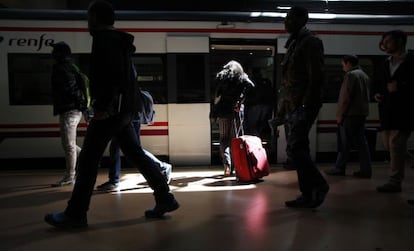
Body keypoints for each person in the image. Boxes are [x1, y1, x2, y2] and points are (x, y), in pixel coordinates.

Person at [45, 0, 179, 228]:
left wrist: (103, 108)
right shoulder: (119, 41)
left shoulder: (104, 41)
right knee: (135, 153)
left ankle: (76, 214)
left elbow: (112, 78)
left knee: (88, 160)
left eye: (89, 18)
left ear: (96, 18)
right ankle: (165, 198)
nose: (88, 23)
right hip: (124, 110)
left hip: (111, 111)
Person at [280, 6, 329, 208]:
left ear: (302, 19)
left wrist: (304, 105)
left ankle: (319, 185)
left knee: (294, 148)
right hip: (294, 105)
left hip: (304, 104)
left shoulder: (310, 42)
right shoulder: (293, 43)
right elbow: (289, 81)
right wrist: (285, 107)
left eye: (289, 18)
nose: (285, 21)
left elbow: (316, 77)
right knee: (301, 148)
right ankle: (307, 194)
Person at [374, 30, 414, 194]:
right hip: (386, 112)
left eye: (388, 41)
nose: (385, 44)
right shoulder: (385, 63)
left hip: (405, 111)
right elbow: (380, 83)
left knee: (396, 145)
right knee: (390, 146)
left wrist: (401, 88)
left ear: (400, 42)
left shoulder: (412, 61)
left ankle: (394, 181)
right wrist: (377, 93)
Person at [325, 55, 372, 178]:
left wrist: (340, 115)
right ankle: (366, 170)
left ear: (349, 63)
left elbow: (346, 98)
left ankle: (339, 168)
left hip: (350, 115)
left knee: (345, 143)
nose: (343, 68)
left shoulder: (351, 75)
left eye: (343, 65)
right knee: (362, 144)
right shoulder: (364, 75)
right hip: (361, 114)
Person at [96, 119, 173, 191]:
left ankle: (114, 180)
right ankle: (113, 180)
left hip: (129, 119)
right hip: (130, 118)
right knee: (126, 149)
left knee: (125, 149)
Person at [50, 41, 88, 187]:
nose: (52, 54)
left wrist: (78, 106)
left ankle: (70, 176)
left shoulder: (62, 68)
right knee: (69, 144)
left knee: (68, 145)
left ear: (60, 54)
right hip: (71, 109)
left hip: (70, 110)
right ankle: (87, 158)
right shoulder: (71, 66)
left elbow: (71, 89)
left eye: (55, 51)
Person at [210, 60, 254, 176]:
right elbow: (251, 85)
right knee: (235, 139)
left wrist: (213, 112)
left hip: (223, 112)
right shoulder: (242, 77)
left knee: (224, 139)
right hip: (237, 112)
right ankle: (238, 166)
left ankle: (227, 166)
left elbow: (215, 96)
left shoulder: (222, 76)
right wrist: (240, 101)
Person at [244, 68, 275, 139]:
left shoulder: (251, 82)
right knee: (260, 127)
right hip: (265, 106)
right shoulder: (265, 82)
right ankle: (258, 142)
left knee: (254, 127)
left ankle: (256, 144)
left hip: (255, 106)